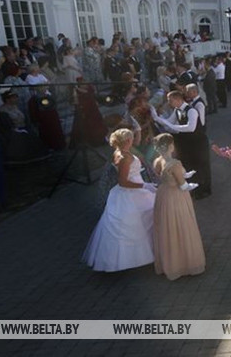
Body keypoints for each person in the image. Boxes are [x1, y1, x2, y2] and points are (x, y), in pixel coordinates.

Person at [83, 129, 156, 272]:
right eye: (132, 138)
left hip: (131, 192)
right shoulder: (125, 158)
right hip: (132, 192)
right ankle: (134, 257)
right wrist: (144, 185)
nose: (134, 140)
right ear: (128, 140)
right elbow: (123, 182)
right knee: (141, 219)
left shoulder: (117, 153)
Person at [152, 134, 205, 281]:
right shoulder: (175, 163)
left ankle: (170, 263)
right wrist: (191, 185)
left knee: (167, 227)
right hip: (176, 197)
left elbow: (165, 177)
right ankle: (185, 263)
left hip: (163, 194)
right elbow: (182, 185)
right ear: (171, 146)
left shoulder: (157, 161)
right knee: (181, 225)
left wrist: (186, 174)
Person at [151, 90, 211, 199]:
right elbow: (169, 122)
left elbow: (190, 127)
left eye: (170, 100)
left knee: (201, 165)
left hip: (198, 142)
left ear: (178, 99)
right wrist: (157, 118)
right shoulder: (177, 110)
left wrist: (172, 126)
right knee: (190, 164)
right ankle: (194, 189)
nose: (169, 103)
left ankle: (204, 190)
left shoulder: (191, 111)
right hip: (187, 142)